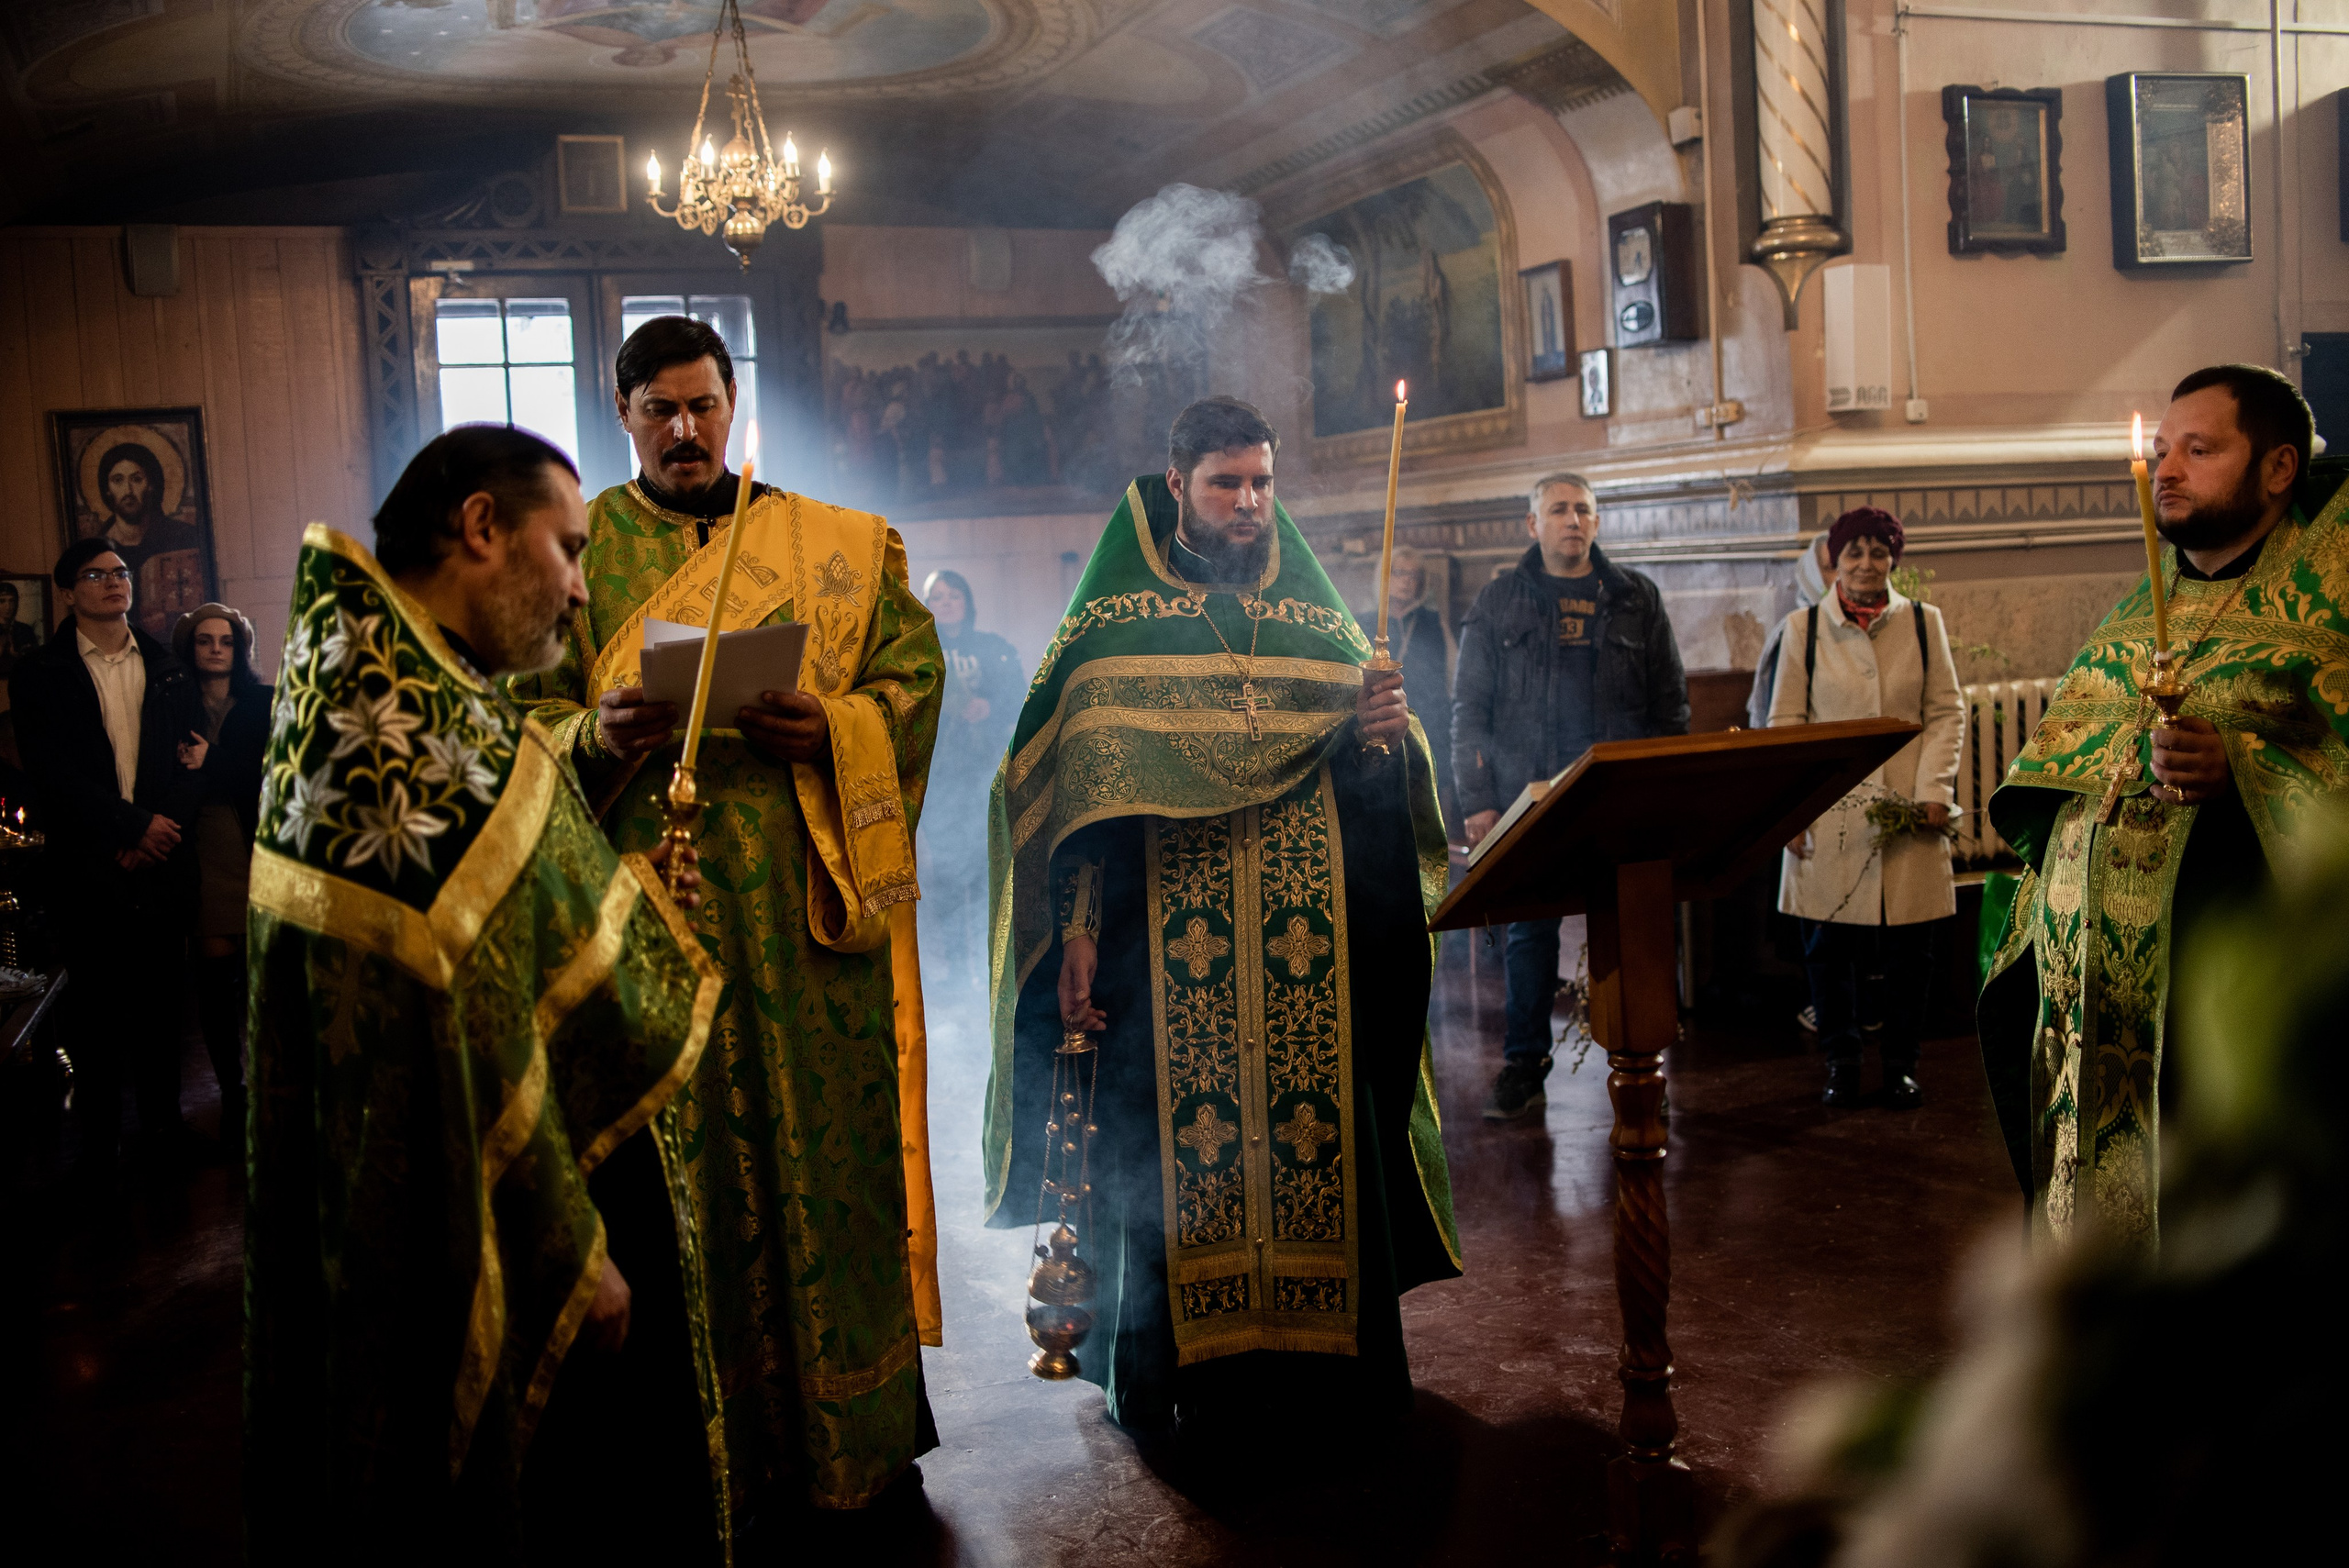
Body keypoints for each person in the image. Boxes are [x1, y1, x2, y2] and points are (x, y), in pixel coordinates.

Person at [244, 427, 723, 1562]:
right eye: (568, 549)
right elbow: (446, 1025)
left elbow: (493, 933)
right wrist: (571, 1243)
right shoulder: (394, 726)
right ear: (479, 528)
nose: (579, 591)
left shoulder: (404, 684)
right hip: (475, 1227)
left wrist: (622, 891)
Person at [508, 315, 946, 1516]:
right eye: (661, 410)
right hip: (651, 925)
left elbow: (912, 680)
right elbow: (513, 731)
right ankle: (697, 1457)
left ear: (732, 405)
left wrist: (835, 728)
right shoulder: (574, 553)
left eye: (704, 405)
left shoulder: (836, 544)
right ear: (623, 414)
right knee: (673, 1197)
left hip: (808, 935)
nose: (686, 429)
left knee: (830, 1185)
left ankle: (849, 1440)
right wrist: (595, 735)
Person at [981, 395, 1460, 1448]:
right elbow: (1071, 802)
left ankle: (1324, 1371)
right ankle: (1174, 1379)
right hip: (1166, 954)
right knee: (1173, 1162)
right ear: (1177, 486)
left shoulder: (1314, 621)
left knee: (1310, 1148)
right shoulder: (1114, 627)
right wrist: (1076, 927)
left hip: (1304, 948)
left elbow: (1375, 790)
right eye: (1226, 483)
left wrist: (1381, 736)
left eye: (1261, 482)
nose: (1249, 502)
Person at [1980, 363, 2349, 1252]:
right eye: (2161, 449)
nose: (2168, 469)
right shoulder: (2138, 611)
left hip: (2225, 992)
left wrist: (2244, 765)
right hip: (2091, 1003)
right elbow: (2058, 777)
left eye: (2199, 449)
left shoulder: (2329, 605)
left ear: (2278, 468)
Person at [1453, 471, 1689, 1120]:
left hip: (1619, 791)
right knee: (1530, 932)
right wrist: (1477, 800)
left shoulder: (1636, 597)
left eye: (1583, 509)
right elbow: (1469, 708)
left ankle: (1644, 1065)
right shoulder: (1500, 600)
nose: (1573, 520)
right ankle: (1523, 1067)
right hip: (1530, 792)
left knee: (1636, 929)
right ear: (1533, 524)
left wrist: (1663, 789)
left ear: (1597, 521)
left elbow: (1671, 704)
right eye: (1558, 509)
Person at [8, 538, 204, 1171]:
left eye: (120, 572)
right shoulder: (41, 672)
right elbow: (52, 774)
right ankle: (100, 1149)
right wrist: (130, 828)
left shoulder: (167, 664)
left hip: (160, 863)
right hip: (90, 866)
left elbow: (194, 758)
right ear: (68, 592)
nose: (115, 582)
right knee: (96, 1017)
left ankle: (164, 1130)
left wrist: (157, 831)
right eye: (96, 575)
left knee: (161, 1009)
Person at [1768, 507, 1964, 1109]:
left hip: (1909, 807)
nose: (1866, 564)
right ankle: (1842, 1061)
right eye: (1854, 552)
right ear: (1834, 560)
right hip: (1831, 810)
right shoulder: (1803, 628)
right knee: (1829, 949)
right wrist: (1794, 810)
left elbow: (1945, 713)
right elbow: (1786, 724)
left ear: (1893, 560)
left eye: (1879, 552)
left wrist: (1934, 789)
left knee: (1911, 950)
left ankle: (1901, 1064)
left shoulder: (1924, 623)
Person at [173, 603, 271, 1144]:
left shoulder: (264, 701)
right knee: (214, 985)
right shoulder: (172, 702)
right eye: (205, 640)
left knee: (265, 984)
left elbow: (271, 775)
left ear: (240, 648)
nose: (215, 649)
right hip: (204, 845)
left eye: (226, 641)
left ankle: (273, 1090)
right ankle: (232, 1094)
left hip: (258, 843)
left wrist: (212, 760)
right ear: (190, 647)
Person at [918, 568, 1023, 988]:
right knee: (945, 876)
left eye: (953, 595)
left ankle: (989, 967)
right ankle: (957, 970)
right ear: (928, 606)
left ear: (967, 601)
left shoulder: (992, 649)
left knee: (986, 871)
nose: (946, 603)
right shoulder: (919, 654)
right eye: (937, 597)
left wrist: (989, 709)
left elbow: (1019, 699)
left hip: (986, 777)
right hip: (940, 780)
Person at [89, 440, 207, 639]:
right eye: (118, 480)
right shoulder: (97, 549)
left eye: (137, 479)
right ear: (107, 489)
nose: (128, 491)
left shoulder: (182, 536)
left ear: (151, 485)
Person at [1384, 545, 1456, 828]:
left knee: (1435, 803)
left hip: (1431, 723)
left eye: (1413, 575)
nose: (1406, 581)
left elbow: (1452, 674)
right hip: (1386, 725)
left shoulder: (1433, 622)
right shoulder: (1367, 622)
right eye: (1399, 573)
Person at [1745, 529, 1833, 729]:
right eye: (1830, 568)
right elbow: (1780, 713)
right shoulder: (1796, 629)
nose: (1839, 577)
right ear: (1812, 573)